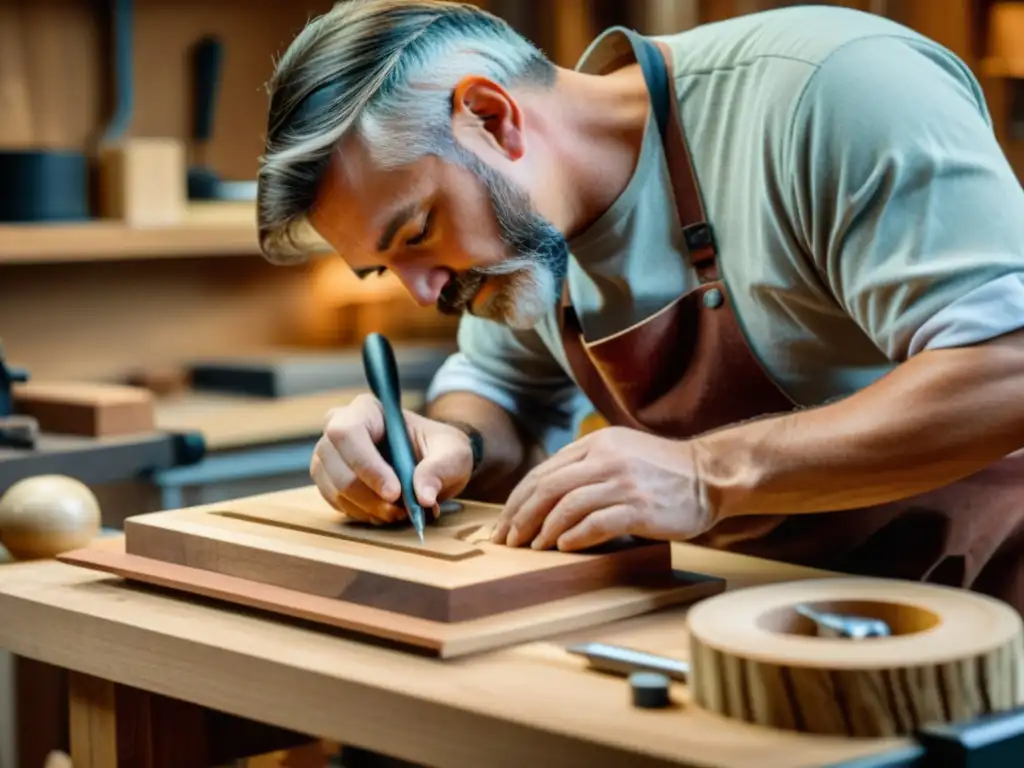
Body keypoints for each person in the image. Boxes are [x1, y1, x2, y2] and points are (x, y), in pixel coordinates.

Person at [256, 0, 1024, 611]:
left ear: (492, 119)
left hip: (986, 603)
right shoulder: (526, 240)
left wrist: (706, 474)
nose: (422, 292)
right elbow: (502, 398)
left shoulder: (831, 90)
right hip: (765, 617)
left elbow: (1009, 367)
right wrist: (446, 444)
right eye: (383, 268)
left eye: (418, 231)